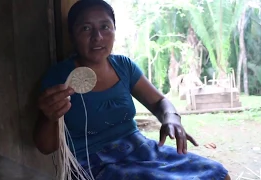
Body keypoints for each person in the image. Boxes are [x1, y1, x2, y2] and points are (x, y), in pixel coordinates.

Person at [34, 0, 231, 179]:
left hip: (141, 150)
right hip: (94, 165)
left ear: (114, 30)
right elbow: (46, 147)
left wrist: (171, 118)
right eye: (86, 28)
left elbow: (159, 102)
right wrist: (49, 117)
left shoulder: (123, 66)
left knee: (218, 174)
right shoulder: (60, 77)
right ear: (73, 35)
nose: (98, 37)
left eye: (105, 27)